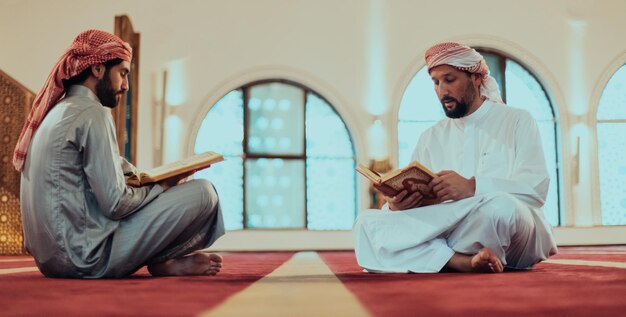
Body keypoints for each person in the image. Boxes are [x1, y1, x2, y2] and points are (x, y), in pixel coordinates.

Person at [14, 29, 225, 278]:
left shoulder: (56, 113)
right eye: (123, 73)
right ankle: (163, 260)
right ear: (98, 69)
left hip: (49, 262)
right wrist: (164, 187)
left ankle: (166, 262)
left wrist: (147, 180)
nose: (125, 86)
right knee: (203, 192)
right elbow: (115, 203)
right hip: (85, 258)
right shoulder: (92, 113)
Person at [353, 42, 557, 273]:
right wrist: (398, 206)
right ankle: (463, 261)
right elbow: (423, 206)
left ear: (476, 78)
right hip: (451, 228)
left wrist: (472, 187)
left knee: (501, 208)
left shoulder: (517, 120)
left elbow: (536, 189)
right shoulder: (430, 137)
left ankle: (436, 256)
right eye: (436, 82)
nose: (442, 91)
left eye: (449, 80)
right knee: (367, 224)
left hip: (511, 230)